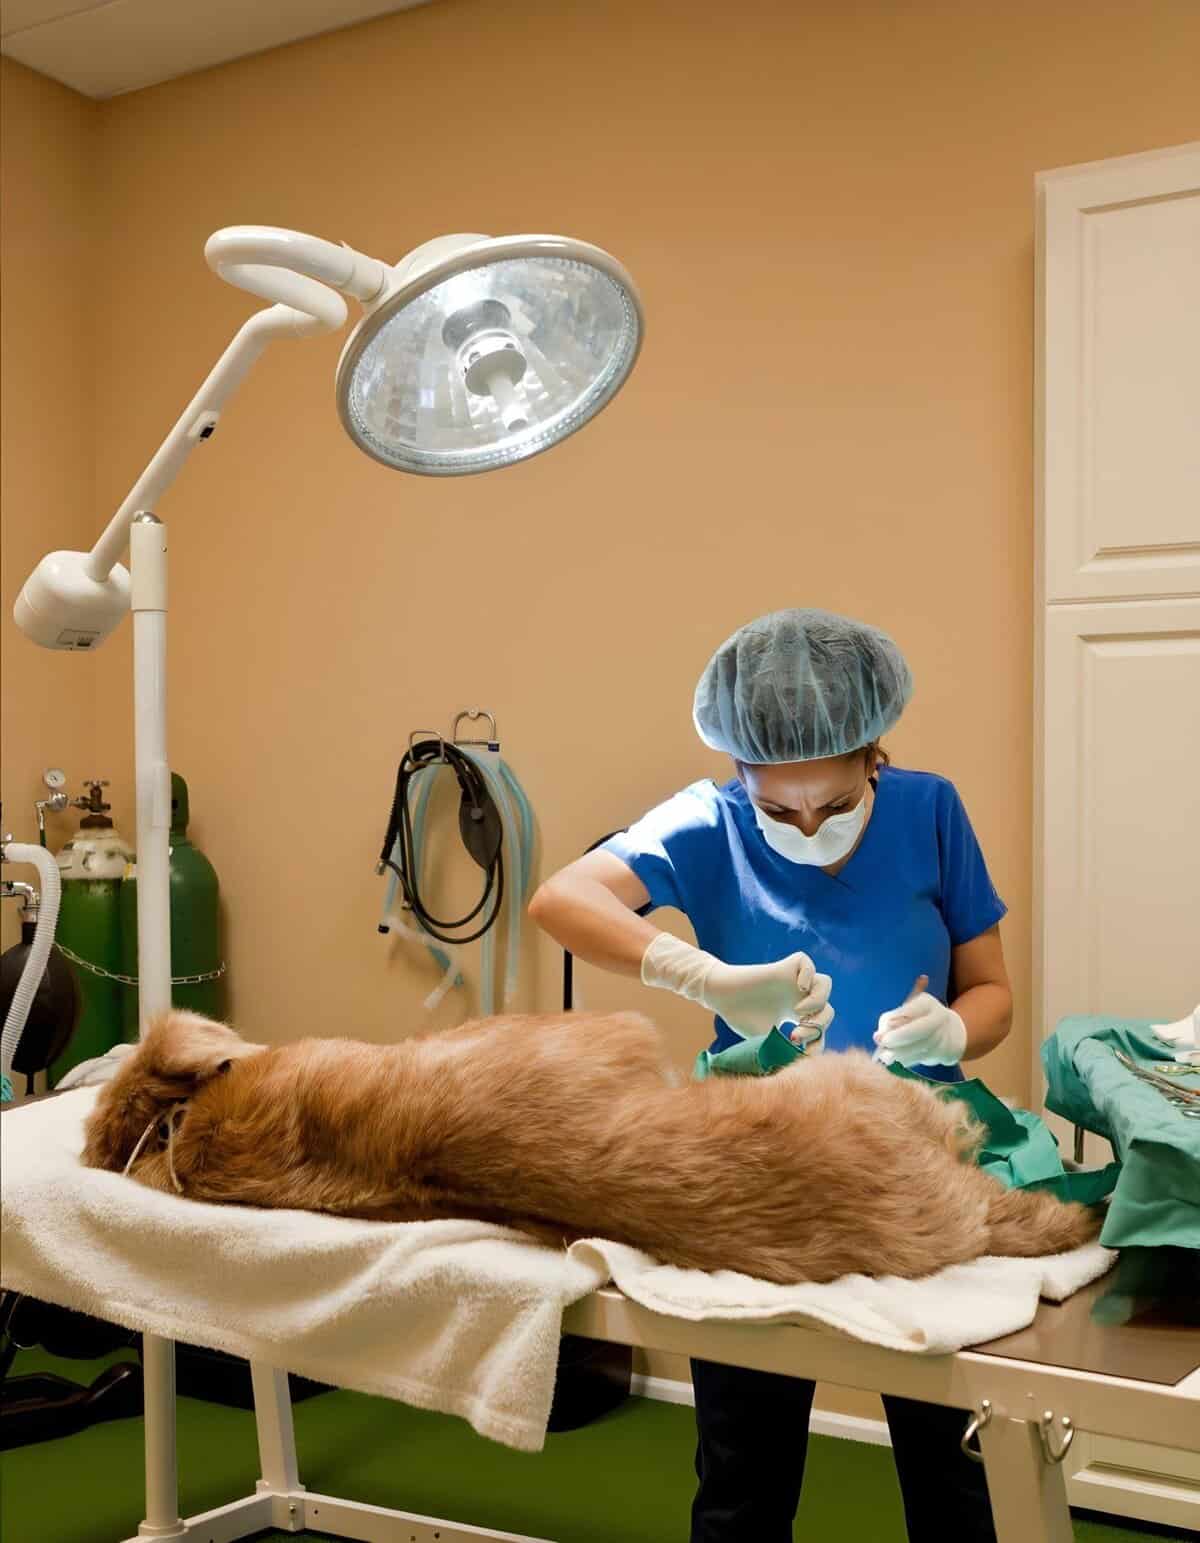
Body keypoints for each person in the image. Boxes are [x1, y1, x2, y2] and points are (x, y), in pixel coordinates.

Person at [528, 607, 1011, 1543]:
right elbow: (562, 898)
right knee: (742, 1477)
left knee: (953, 1471)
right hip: (759, 1171)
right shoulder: (708, 823)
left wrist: (955, 1026)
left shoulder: (929, 811)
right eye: (779, 809)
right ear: (740, 769)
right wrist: (698, 975)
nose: (808, 827)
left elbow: (994, 992)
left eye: (835, 804)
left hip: (919, 1163)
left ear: (872, 756)